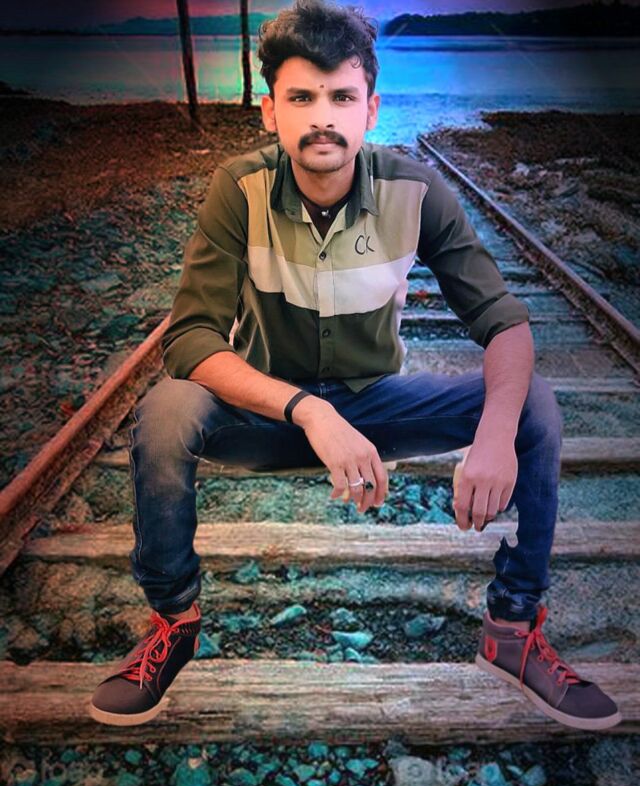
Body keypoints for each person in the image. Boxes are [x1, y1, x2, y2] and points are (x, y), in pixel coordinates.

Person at [89, 0, 621, 730]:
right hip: (267, 414)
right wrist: (309, 410)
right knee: (165, 408)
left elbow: (506, 324)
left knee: (531, 402)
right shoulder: (238, 190)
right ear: (269, 111)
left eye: (341, 97)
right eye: (301, 98)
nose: (322, 118)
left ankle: (512, 630)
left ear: (371, 108)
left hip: (375, 406)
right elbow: (191, 340)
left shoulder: (416, 191)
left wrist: (495, 435)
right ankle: (173, 622)